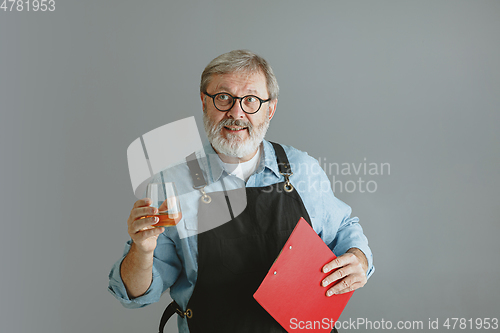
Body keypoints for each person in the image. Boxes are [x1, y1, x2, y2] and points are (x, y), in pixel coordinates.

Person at [108, 50, 374, 333]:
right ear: (204, 101)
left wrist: (359, 256)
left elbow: (344, 227)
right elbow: (136, 295)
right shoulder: (172, 185)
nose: (236, 113)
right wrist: (142, 250)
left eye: (251, 100)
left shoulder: (302, 170)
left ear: (270, 109)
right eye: (223, 98)